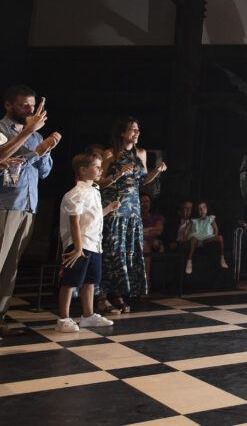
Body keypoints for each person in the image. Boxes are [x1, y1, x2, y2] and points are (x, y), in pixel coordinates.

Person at [0, 85, 61, 338]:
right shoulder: (3, 129)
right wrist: (30, 136)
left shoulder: (36, 135)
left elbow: (44, 172)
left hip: (28, 205)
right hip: (5, 204)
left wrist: (45, 149)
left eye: (32, 105)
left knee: (10, 268)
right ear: (9, 105)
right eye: (24, 105)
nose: (29, 110)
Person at [97, 116, 166, 314]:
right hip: (114, 208)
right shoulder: (110, 154)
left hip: (132, 209)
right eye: (132, 130)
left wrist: (156, 171)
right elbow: (99, 182)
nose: (136, 133)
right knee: (111, 252)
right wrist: (116, 175)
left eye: (137, 130)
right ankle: (101, 296)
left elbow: (143, 181)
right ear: (121, 132)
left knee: (126, 251)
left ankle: (118, 292)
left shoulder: (141, 153)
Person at [55, 152, 120, 333]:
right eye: (97, 166)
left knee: (90, 281)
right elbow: (74, 221)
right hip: (79, 244)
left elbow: (92, 218)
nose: (101, 170)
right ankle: (63, 318)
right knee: (70, 281)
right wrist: (77, 247)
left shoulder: (94, 191)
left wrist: (108, 209)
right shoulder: (76, 193)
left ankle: (88, 315)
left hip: (93, 244)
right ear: (83, 170)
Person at [185, 201, 228, 274]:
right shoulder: (194, 220)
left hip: (207, 238)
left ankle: (222, 258)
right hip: (197, 237)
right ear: (197, 210)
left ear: (207, 208)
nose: (202, 210)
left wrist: (215, 236)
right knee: (193, 239)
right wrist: (184, 238)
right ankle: (189, 261)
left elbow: (216, 229)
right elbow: (186, 229)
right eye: (200, 209)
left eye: (204, 207)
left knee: (220, 237)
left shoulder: (210, 218)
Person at [139, 192, 165, 285]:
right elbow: (136, 232)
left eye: (147, 202)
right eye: (142, 202)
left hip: (151, 242)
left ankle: (146, 281)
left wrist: (144, 230)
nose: (145, 205)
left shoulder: (157, 218)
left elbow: (158, 231)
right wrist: (150, 229)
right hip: (138, 241)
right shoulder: (136, 218)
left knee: (145, 244)